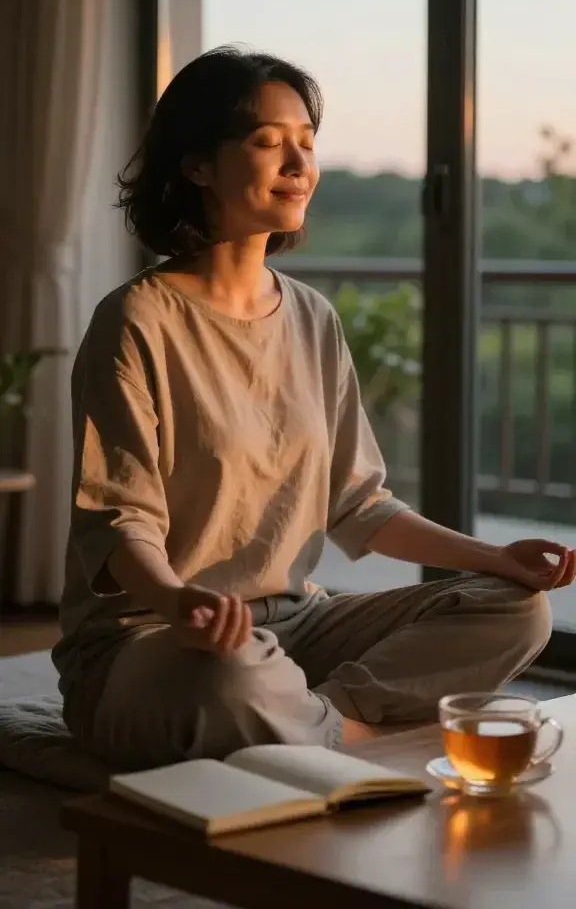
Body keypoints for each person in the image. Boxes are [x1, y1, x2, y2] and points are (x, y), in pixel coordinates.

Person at [52, 46, 575, 771]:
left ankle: (324, 726)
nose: (299, 163)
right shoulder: (137, 320)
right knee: (228, 675)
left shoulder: (312, 318)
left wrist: (497, 558)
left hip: (299, 624)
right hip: (156, 640)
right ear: (196, 165)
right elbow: (119, 524)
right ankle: (310, 729)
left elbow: (359, 504)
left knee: (516, 609)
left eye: (307, 141)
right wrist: (179, 604)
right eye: (269, 143)